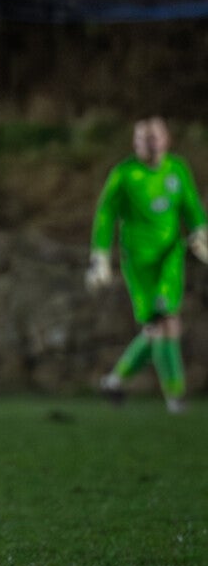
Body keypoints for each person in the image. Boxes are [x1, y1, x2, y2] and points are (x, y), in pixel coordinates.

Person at [88, 116, 208, 414]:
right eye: (143, 138)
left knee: (167, 322)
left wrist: (200, 232)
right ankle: (117, 381)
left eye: (154, 137)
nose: (150, 144)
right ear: (135, 143)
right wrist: (99, 257)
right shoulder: (125, 174)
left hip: (170, 257)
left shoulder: (177, 169)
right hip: (139, 262)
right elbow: (105, 214)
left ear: (166, 140)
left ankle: (173, 397)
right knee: (158, 327)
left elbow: (191, 204)